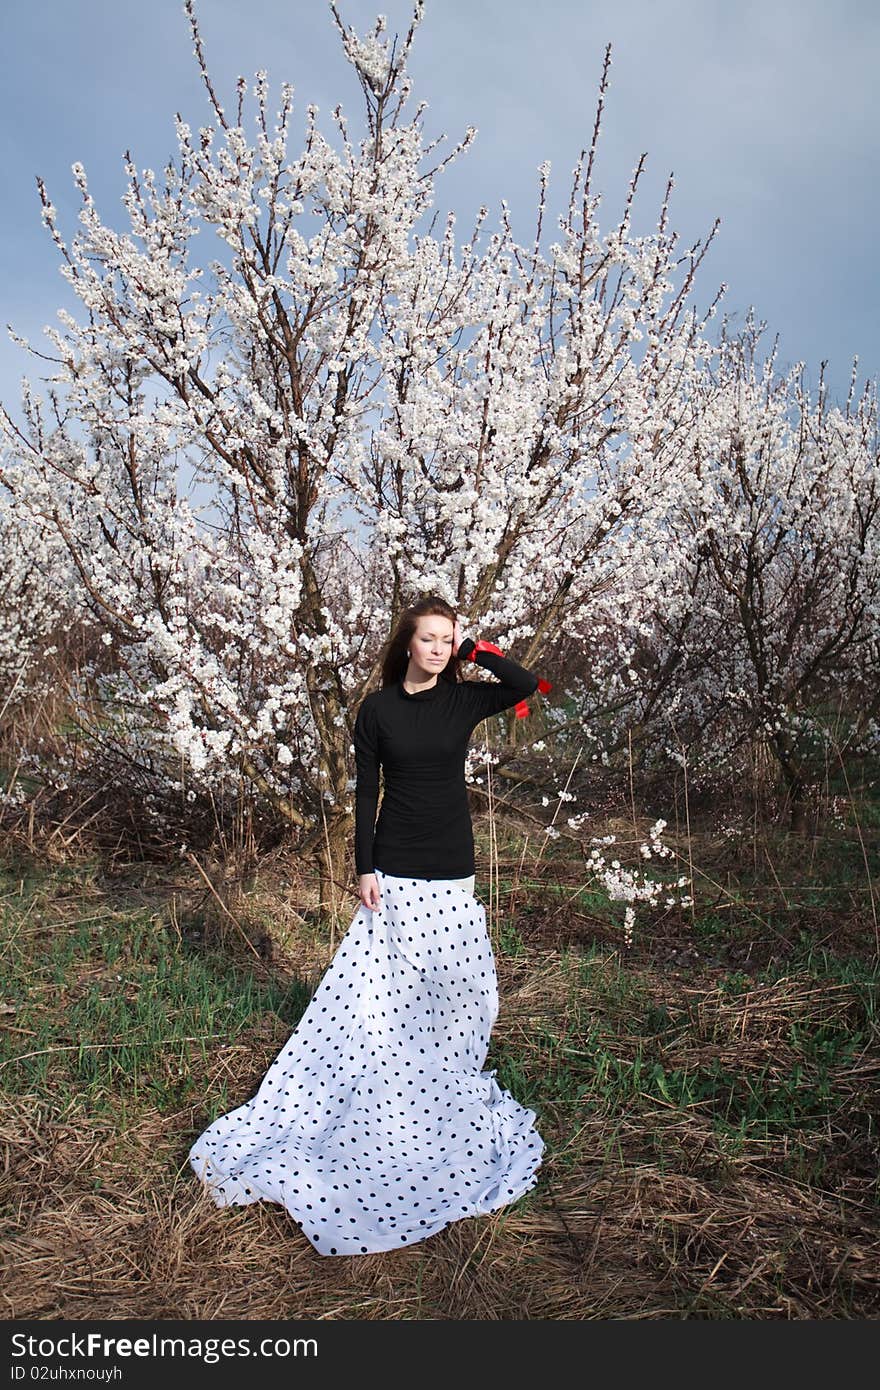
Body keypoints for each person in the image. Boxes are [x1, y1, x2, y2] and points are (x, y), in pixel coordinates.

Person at [188, 595, 548, 1256]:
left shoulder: (463, 700)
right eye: (430, 639)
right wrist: (364, 868)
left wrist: (475, 652)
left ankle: (442, 1085)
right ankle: (380, 1090)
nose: (439, 649)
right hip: (396, 872)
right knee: (380, 997)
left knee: (466, 995)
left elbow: (524, 684)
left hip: (453, 869)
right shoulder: (377, 711)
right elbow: (365, 791)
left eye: (448, 640)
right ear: (406, 644)